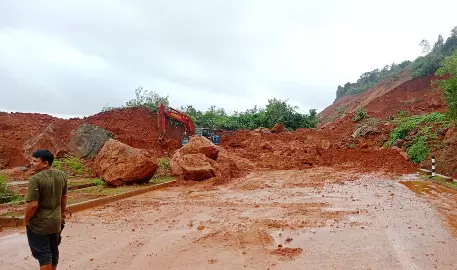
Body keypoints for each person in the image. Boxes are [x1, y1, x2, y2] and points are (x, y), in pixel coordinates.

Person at [24, 150, 68, 270]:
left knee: (44, 254)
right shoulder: (62, 175)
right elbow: (63, 198)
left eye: (35, 161)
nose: (32, 163)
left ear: (45, 163)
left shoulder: (35, 180)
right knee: (53, 251)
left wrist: (26, 220)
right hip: (56, 222)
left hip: (40, 224)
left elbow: (33, 205)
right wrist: (62, 214)